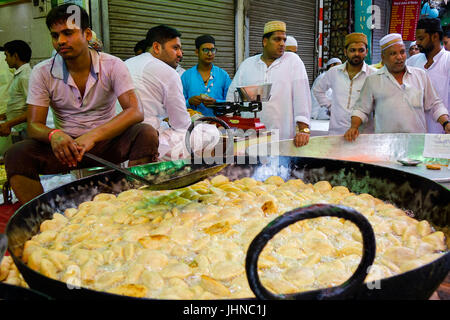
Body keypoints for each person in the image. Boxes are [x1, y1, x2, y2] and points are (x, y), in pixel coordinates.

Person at [4, 4, 159, 205]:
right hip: (66, 149)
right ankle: (42, 219)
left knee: (145, 133)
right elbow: (34, 125)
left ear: (87, 34)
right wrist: (54, 135)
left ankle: (133, 202)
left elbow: (135, 111)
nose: (60, 41)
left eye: (68, 33)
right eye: (55, 35)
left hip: (106, 143)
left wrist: (92, 136)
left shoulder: (112, 65)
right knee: (16, 154)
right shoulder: (42, 72)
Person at [123, 25, 220, 160]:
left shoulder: (126, 63)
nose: (180, 53)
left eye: (180, 48)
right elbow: (181, 124)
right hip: (148, 141)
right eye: (175, 48)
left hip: (121, 141)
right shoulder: (168, 72)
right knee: (211, 133)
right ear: (156, 47)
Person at [344, 33, 449, 141]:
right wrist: (354, 127)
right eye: (393, 53)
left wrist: (446, 123)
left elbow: (435, 105)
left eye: (402, 52)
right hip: (385, 144)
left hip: (416, 144)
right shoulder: (373, 80)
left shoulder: (420, 76)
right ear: (383, 57)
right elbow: (361, 109)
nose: (399, 57)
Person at [226, 21, 312, 147]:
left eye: (284, 40)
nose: (282, 44)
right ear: (265, 41)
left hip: (282, 137)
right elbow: (232, 95)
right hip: (250, 137)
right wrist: (226, 122)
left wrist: (303, 129)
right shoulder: (247, 64)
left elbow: (302, 96)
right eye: (277, 39)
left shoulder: (293, 61)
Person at [313, 33, 376, 135]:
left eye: (361, 50)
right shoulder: (334, 72)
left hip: (363, 134)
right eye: (352, 50)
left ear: (366, 52)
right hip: (337, 132)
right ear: (345, 52)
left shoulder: (373, 75)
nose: (357, 54)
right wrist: (330, 106)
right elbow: (318, 90)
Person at [407, 18, 450, 134]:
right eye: (417, 39)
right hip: (416, 132)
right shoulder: (412, 62)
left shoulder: (447, 60)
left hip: (443, 131)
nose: (417, 43)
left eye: (421, 38)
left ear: (435, 37)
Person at [181, 35, 231, 117]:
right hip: (193, 126)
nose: (210, 54)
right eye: (205, 50)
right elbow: (177, 103)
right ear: (197, 52)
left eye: (213, 50)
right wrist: (189, 102)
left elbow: (231, 102)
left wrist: (216, 102)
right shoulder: (186, 76)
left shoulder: (223, 75)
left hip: (219, 125)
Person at [0, 40, 32, 143]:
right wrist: (6, 115)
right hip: (18, 128)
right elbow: (18, 104)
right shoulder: (19, 75)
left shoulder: (25, 77)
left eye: (7, 55)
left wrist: (8, 124)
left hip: (25, 129)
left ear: (15, 56)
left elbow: (32, 110)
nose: (5, 59)